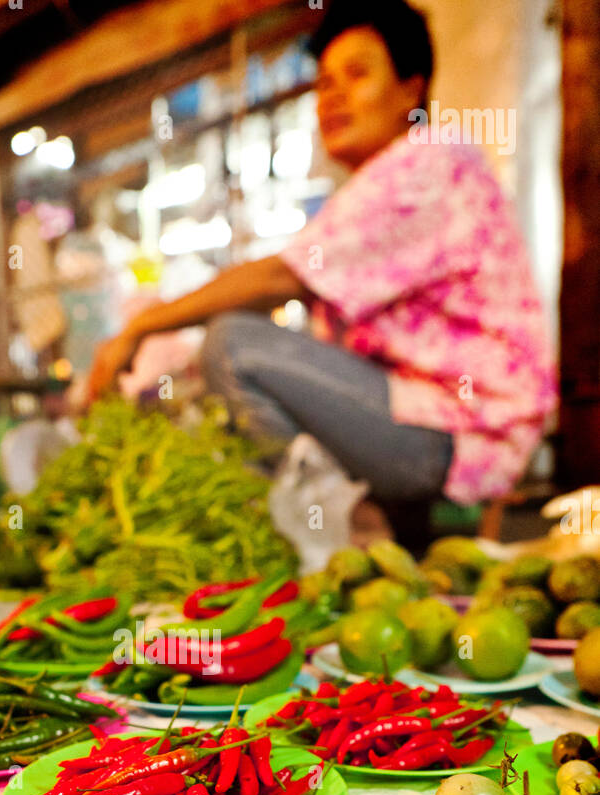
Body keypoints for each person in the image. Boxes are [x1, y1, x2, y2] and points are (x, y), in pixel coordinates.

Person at [86, 0, 557, 515]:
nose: (333, 97)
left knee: (233, 346)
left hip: (459, 437)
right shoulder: (394, 179)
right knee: (223, 380)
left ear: (410, 89)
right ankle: (331, 526)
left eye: (356, 75)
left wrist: (140, 327)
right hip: (440, 429)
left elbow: (281, 277)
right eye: (324, 83)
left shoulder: (427, 163)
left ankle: (331, 531)